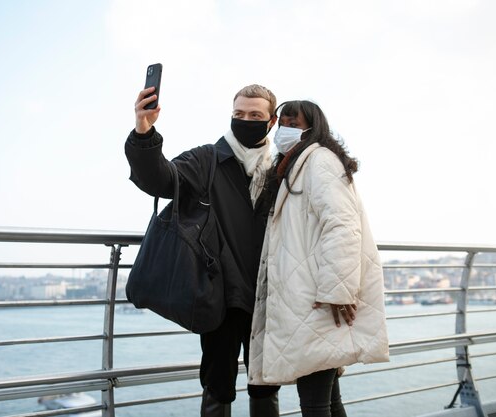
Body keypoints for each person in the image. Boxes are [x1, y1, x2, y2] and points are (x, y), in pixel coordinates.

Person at [125, 84, 282, 417]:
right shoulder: (207, 159)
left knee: (267, 385)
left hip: (269, 297)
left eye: (255, 115)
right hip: (220, 296)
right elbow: (160, 179)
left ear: (271, 121)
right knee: (217, 386)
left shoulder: (282, 169)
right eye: (238, 114)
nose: (245, 120)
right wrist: (144, 131)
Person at [248, 100, 390, 417]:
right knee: (326, 399)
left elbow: (342, 226)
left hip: (317, 297)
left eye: (294, 124)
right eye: (281, 122)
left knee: (314, 403)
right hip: (309, 295)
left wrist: (337, 291)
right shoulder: (292, 166)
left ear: (313, 129)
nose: (285, 130)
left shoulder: (318, 162)